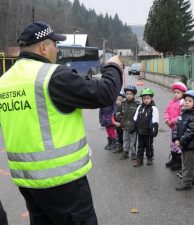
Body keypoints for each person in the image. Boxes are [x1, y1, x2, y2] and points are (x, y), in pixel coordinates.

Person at [0, 21, 123, 225]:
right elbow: (106, 93)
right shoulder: (51, 76)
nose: (57, 49)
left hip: (28, 184)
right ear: (43, 47)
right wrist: (113, 66)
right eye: (55, 44)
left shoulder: (4, 82)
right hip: (63, 183)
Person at [172, 90, 194, 191]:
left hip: (190, 144)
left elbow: (191, 131)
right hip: (184, 143)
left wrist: (181, 141)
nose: (186, 102)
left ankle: (186, 183)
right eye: (185, 100)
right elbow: (176, 126)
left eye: (190, 101)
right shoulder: (183, 112)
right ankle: (191, 179)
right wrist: (176, 138)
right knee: (187, 162)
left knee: (187, 164)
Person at [133, 88, 159, 167]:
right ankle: (139, 159)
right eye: (144, 98)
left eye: (147, 98)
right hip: (140, 131)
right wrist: (134, 127)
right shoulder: (140, 107)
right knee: (140, 146)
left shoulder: (153, 108)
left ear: (151, 98)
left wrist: (154, 130)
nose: (146, 100)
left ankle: (149, 157)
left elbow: (155, 120)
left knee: (148, 146)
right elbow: (135, 118)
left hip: (148, 132)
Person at [164, 82, 187, 171]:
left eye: (178, 92)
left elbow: (181, 116)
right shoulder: (172, 101)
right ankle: (173, 160)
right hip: (171, 127)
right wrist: (166, 118)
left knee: (177, 145)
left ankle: (178, 163)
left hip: (178, 128)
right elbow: (167, 111)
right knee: (172, 143)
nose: (175, 94)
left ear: (183, 94)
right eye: (174, 92)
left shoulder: (183, 103)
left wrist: (171, 121)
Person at [119, 85, 139, 160]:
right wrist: (121, 121)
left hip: (133, 127)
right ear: (125, 95)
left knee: (133, 141)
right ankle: (126, 152)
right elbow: (118, 113)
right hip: (124, 126)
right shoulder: (122, 104)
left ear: (134, 95)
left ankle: (133, 153)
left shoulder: (137, 104)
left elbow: (138, 116)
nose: (129, 95)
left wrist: (136, 125)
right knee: (125, 140)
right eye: (127, 94)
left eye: (131, 94)